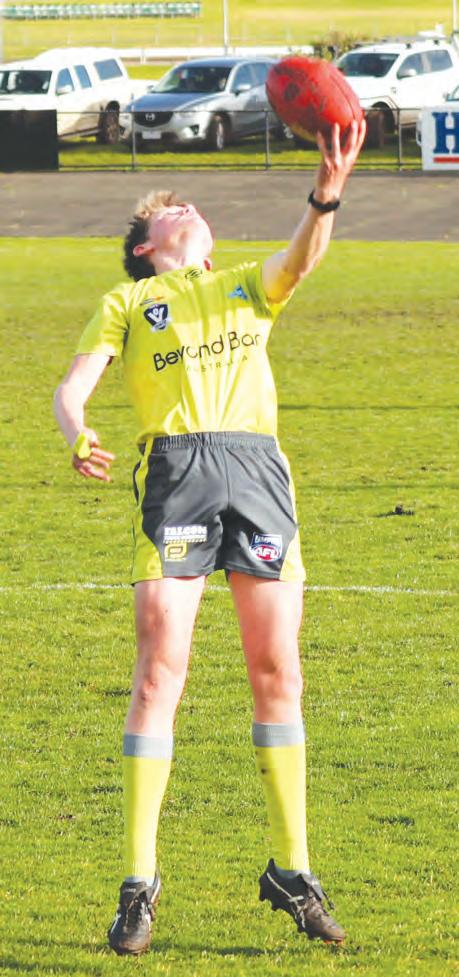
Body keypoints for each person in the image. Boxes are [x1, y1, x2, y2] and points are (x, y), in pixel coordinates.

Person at [54, 118, 366, 957]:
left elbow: (300, 258)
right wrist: (77, 428)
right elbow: (73, 385)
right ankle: (138, 881)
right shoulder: (129, 301)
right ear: (145, 247)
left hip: (257, 470)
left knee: (278, 670)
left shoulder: (241, 286)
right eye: (169, 208)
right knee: (161, 668)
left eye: (190, 203)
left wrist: (326, 191)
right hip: (178, 471)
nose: (186, 207)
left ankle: (292, 870)